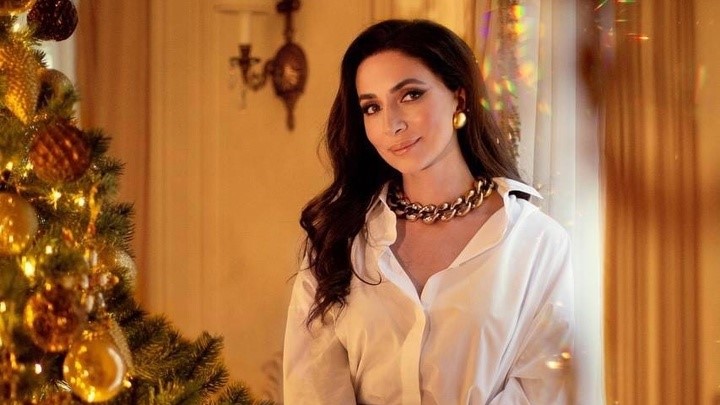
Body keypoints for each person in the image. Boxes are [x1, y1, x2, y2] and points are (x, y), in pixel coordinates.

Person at [283, 19, 574, 405]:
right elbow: (312, 388)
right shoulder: (337, 239)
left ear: (459, 98)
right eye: (372, 107)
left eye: (410, 95)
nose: (392, 124)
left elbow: (548, 391)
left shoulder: (537, 243)